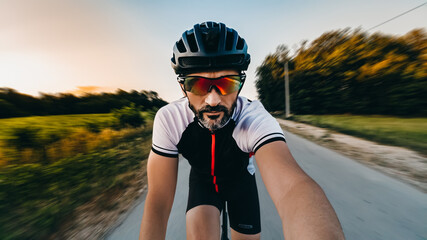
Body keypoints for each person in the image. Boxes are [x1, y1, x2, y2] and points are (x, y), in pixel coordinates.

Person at [139, 21, 345, 240]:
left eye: (227, 84)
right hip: (203, 182)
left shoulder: (253, 118)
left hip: (241, 183)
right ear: (182, 87)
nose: (213, 100)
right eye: (198, 85)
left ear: (241, 83)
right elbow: (159, 201)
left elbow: (293, 189)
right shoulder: (170, 119)